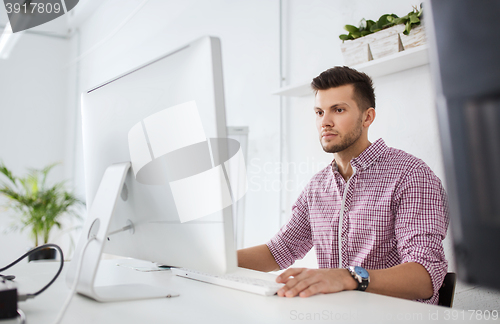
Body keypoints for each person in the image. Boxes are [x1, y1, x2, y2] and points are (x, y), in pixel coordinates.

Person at [237, 66, 449, 304]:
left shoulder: (411, 176)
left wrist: (348, 277)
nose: (325, 122)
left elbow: (425, 277)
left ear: (367, 117)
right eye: (319, 112)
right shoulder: (317, 186)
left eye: (338, 110)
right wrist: (213, 261)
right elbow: (280, 249)